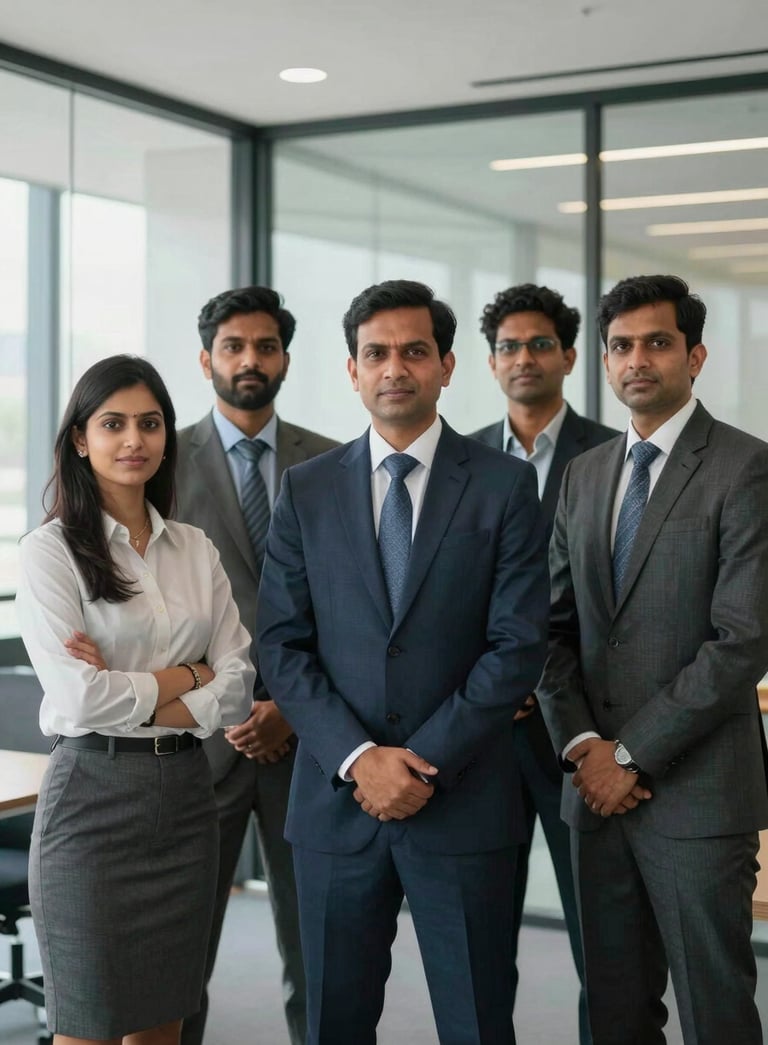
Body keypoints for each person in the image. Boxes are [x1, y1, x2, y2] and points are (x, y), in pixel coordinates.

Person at [256, 279, 550, 1044]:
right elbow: (282, 644)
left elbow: (517, 645)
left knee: (478, 1021)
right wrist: (359, 758)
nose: (395, 368)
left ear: (447, 365)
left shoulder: (505, 485)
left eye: (414, 351)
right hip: (335, 807)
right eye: (376, 353)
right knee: (333, 1025)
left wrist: (417, 761)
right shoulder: (305, 489)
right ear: (352, 370)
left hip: (463, 801)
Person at [537, 274, 768, 1045]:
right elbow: (552, 628)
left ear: (695, 355)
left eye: (658, 342)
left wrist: (630, 756)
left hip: (698, 797)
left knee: (716, 1012)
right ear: (603, 360)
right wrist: (581, 747)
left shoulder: (746, 469)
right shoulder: (586, 473)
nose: (639, 359)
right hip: (593, 792)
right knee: (612, 1011)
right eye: (622, 345)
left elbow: (742, 640)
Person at [15, 355, 254, 1045]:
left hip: (185, 797)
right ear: (79, 439)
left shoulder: (194, 548)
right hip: (90, 800)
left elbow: (238, 682)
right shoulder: (50, 552)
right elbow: (79, 698)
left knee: (162, 1027)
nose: (134, 440)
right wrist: (188, 672)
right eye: (112, 423)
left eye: (150, 424)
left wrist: (163, 684)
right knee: (87, 1027)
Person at [176, 286, 338, 1045]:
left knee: (319, 950)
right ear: (206, 357)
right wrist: (233, 703)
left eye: (265, 346)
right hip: (199, 742)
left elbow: (353, 609)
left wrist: (289, 706)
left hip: (309, 741)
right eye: (234, 346)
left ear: (285, 360)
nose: (250, 360)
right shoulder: (159, 461)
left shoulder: (335, 461)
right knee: (179, 957)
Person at [471, 283, 617, 1044]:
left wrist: (540, 684)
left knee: (603, 944)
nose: (523, 358)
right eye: (508, 346)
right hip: (481, 741)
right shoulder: (457, 460)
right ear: (490, 363)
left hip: (577, 733)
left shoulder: (613, 455)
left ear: (567, 355)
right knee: (481, 944)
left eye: (538, 344)